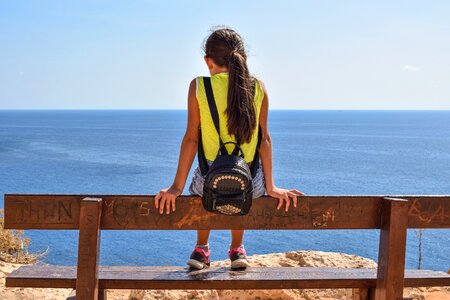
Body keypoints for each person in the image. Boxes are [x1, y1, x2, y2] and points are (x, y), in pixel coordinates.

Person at [155, 27, 303, 270]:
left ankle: (202, 249)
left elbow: (192, 138)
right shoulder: (259, 88)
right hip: (250, 187)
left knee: (200, 183)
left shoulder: (198, 87)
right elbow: (264, 139)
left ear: (208, 61)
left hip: (209, 184)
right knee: (242, 180)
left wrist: (176, 187)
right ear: (242, 59)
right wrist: (271, 186)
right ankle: (237, 250)